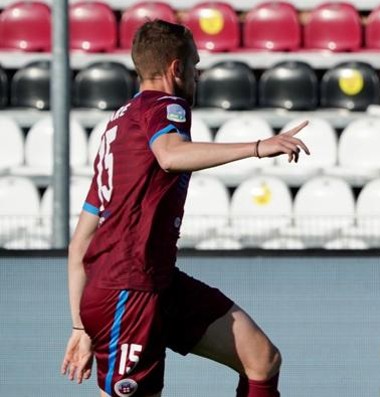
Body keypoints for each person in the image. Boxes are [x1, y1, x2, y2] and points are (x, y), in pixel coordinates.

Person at [60, 20, 310, 397]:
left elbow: (80, 243)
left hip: (155, 281)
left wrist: (81, 326)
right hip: (127, 290)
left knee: (261, 358)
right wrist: (259, 146)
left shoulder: (118, 127)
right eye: (193, 66)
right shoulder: (166, 105)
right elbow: (170, 154)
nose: (197, 75)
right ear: (176, 69)